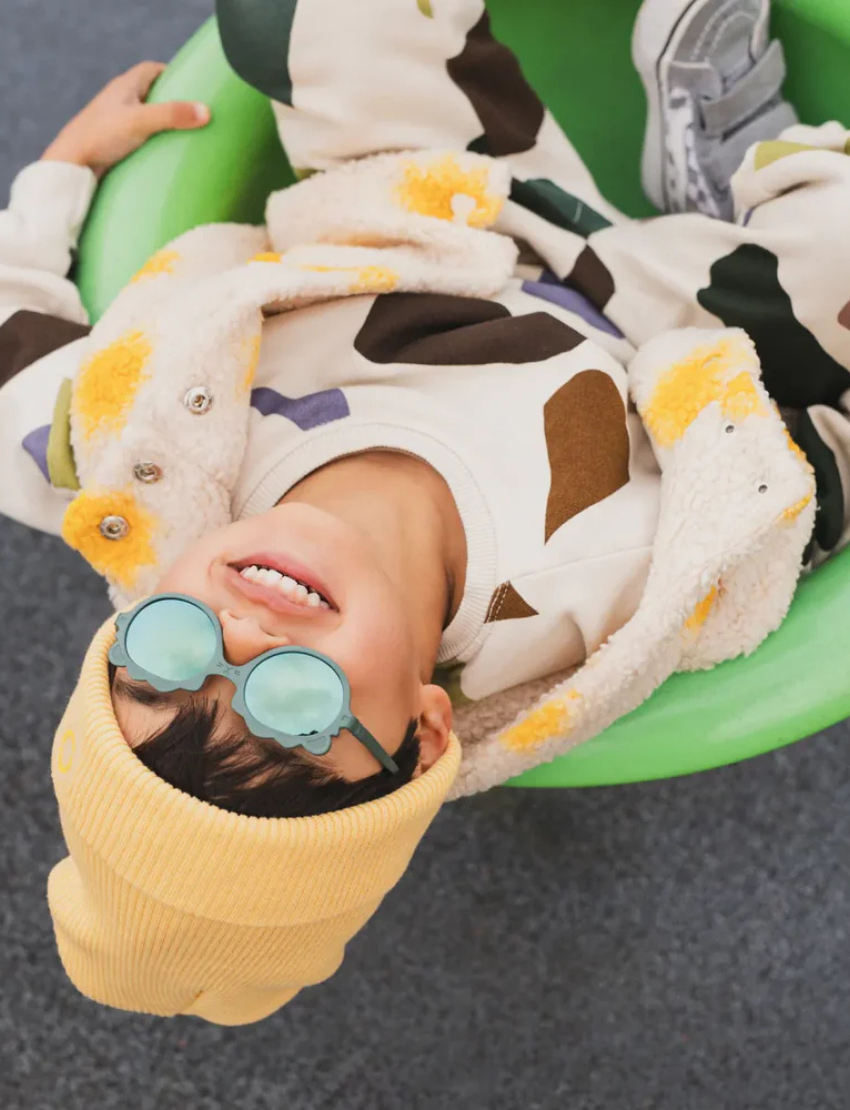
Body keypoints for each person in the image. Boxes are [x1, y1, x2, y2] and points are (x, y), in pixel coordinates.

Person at [1, 0, 849, 1024]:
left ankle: (721, 196)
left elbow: (11, 359)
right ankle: (733, 170)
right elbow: (771, 490)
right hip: (668, 319)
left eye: (168, 658)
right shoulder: (590, 610)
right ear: (428, 731)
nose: (243, 640)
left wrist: (60, 174)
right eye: (293, 713)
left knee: (296, 19)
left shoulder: (132, 469)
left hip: (450, 212)